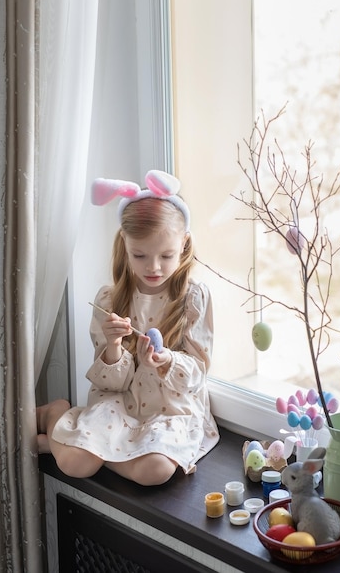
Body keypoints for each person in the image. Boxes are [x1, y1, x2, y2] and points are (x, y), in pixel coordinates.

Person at [37, 170, 220, 486]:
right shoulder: (110, 299)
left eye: (166, 255)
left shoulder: (192, 298)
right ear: (125, 244)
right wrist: (114, 347)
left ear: (184, 244)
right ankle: (57, 415)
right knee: (74, 464)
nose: (154, 267)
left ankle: (63, 442)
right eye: (140, 255)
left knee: (156, 472)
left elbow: (198, 372)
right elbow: (111, 384)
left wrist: (166, 362)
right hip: (121, 403)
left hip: (171, 411)